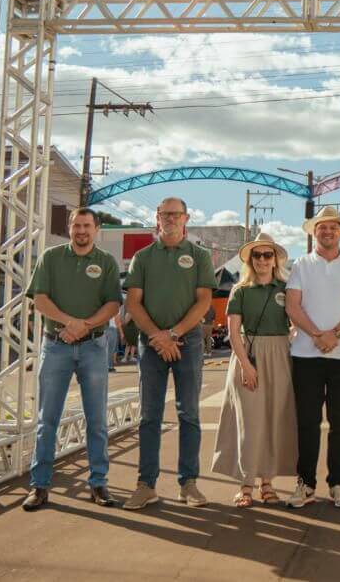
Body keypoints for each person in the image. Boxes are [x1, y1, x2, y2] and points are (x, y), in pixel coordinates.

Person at [22, 208, 122, 511]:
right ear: (69, 228)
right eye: (77, 225)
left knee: (97, 420)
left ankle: (98, 483)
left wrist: (85, 326)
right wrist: (70, 323)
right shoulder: (51, 258)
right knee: (47, 420)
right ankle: (39, 486)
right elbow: (40, 299)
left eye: (87, 226)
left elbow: (113, 304)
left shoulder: (106, 262)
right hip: (56, 346)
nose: (81, 231)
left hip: (94, 347)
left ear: (96, 229)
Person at [123, 197, 218, 511]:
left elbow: (204, 301)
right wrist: (157, 336)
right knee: (149, 416)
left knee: (188, 413)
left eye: (176, 214)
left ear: (186, 218)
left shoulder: (199, 256)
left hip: (187, 342)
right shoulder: (143, 257)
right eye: (166, 214)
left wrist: (173, 334)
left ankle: (187, 483)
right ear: (157, 217)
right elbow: (133, 302)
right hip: (151, 343)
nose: (171, 219)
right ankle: (145, 485)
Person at [284, 205, 340, 509]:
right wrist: (318, 335)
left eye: (333, 227)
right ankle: (305, 483)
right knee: (307, 422)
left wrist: (336, 334)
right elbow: (293, 306)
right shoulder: (301, 265)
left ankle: (338, 483)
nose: (328, 231)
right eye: (323, 227)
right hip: (306, 355)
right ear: (314, 231)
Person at [212, 232, 297, 506]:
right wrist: (246, 365)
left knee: (273, 419)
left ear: (275, 259)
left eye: (267, 254)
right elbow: (233, 332)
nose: (262, 260)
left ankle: (267, 482)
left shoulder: (286, 288)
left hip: (280, 355)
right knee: (248, 422)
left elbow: (297, 321)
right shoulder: (240, 290)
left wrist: (290, 341)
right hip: (247, 355)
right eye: (256, 255)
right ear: (250, 260)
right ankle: (245, 484)